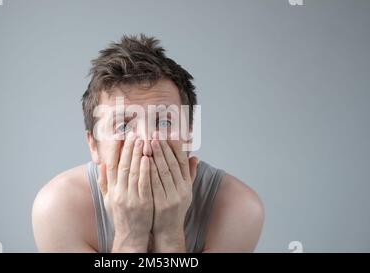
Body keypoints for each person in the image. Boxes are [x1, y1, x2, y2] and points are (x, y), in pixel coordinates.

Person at [32, 34, 264, 252]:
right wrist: (130, 235)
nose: (146, 141)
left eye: (163, 122)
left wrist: (170, 235)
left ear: (189, 135)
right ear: (94, 145)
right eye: (123, 126)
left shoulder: (239, 208)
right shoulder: (58, 208)